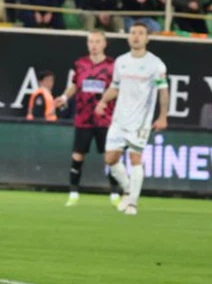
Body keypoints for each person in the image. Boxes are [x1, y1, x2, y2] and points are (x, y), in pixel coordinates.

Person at [95, 23, 168, 216]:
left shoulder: (156, 64)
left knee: (135, 158)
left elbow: (163, 91)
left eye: (141, 33)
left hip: (140, 120)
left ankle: (132, 204)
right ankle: (128, 190)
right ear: (128, 37)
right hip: (119, 119)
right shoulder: (121, 61)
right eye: (133, 33)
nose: (136, 36)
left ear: (147, 38)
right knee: (110, 159)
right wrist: (103, 101)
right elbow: (115, 86)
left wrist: (162, 116)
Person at [53, 31, 120, 206]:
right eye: (91, 42)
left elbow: (118, 89)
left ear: (104, 43)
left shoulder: (113, 65)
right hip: (83, 118)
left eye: (97, 41)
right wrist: (64, 97)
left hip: (105, 118)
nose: (94, 45)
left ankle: (115, 194)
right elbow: (75, 85)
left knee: (110, 157)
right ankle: (73, 193)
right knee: (78, 156)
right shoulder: (80, 64)